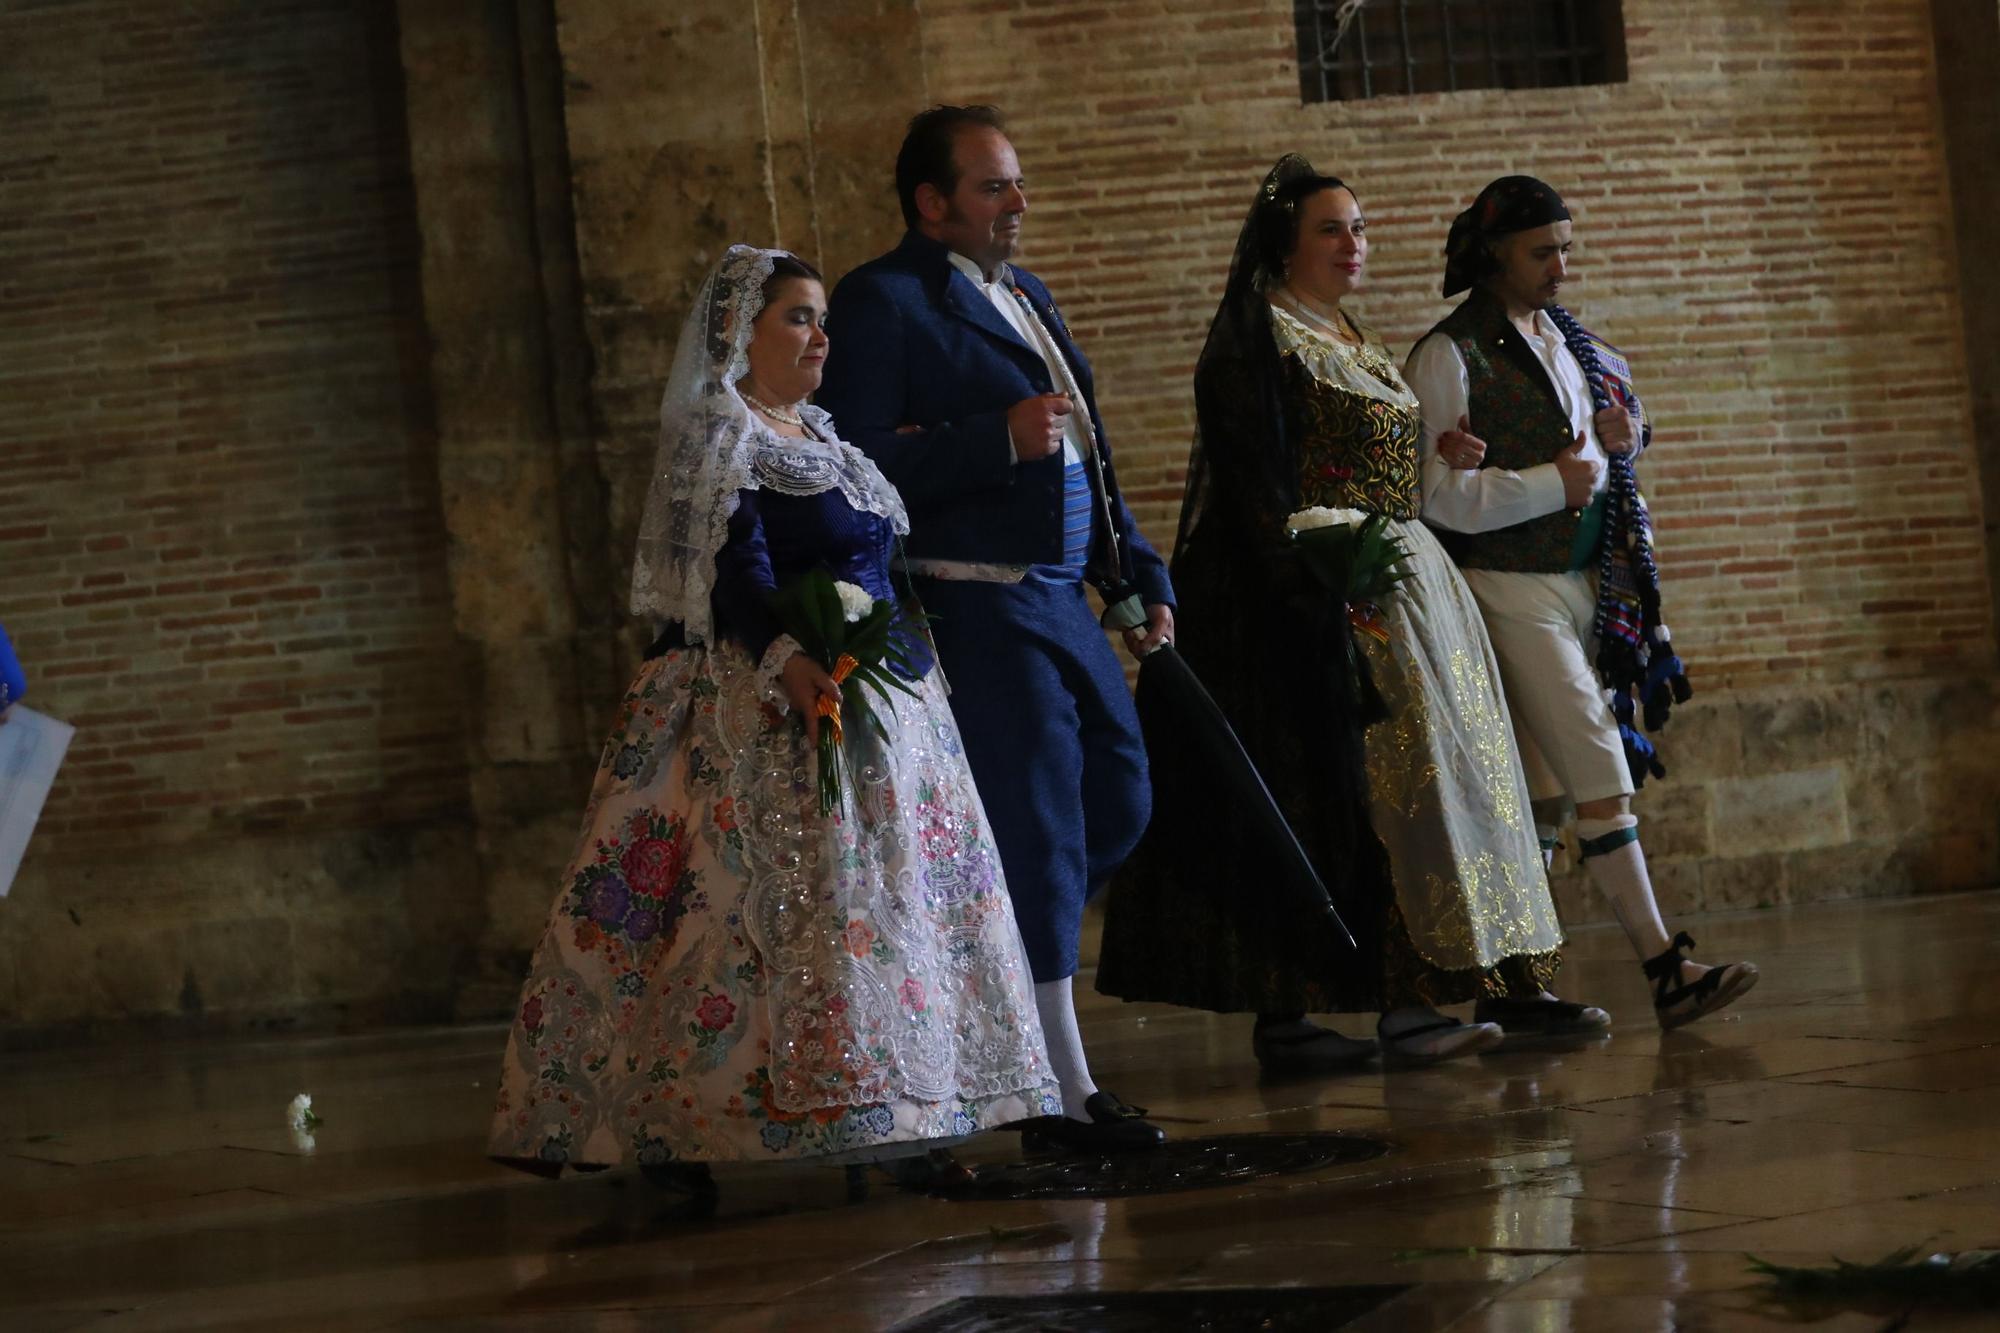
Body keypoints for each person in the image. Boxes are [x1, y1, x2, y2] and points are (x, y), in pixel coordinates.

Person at [489, 245, 1057, 1181]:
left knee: (892, 915)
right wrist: (788, 657)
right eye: (797, 316)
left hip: (886, 709)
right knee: (743, 918)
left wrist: (918, 678)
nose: (820, 337)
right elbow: (733, 566)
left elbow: (881, 566)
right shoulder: (726, 436)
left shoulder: (827, 438)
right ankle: (673, 1129)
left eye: (821, 319)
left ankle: (911, 1106)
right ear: (736, 332)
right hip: (768, 699)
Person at [1096, 156, 1609, 1070]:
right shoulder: (1256, 337)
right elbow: (1257, 479)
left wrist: (1440, 449)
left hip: (1399, 580)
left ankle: (1480, 980)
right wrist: (1319, 588)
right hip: (1306, 594)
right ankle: (1366, 1008)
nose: (1353, 244)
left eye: (1361, 228)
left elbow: (1373, 454)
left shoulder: (1347, 330)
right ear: (1283, 242)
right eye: (1331, 229)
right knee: (1358, 800)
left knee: (1444, 787)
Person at [816, 106, 1172, 1152]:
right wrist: (989, 440)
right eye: (990, 188)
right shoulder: (882, 302)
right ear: (930, 204)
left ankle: (1002, 980)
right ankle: (1055, 1092)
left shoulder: (1025, 295)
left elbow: (1088, 454)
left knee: (1120, 796)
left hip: (1064, 596)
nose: (1017, 203)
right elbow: (853, 464)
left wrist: (1136, 567)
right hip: (976, 600)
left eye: (1014, 183)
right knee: (1042, 827)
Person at [1405, 176, 1758, 1030]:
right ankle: (1663, 965)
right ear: (1495, 254)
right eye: (1542, 251)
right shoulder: (1449, 355)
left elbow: (1616, 430)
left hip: (1588, 584)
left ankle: (1516, 987)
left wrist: (1630, 431)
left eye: (1566, 247)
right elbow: (1433, 496)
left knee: (1541, 785)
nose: (1561, 265)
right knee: (1598, 765)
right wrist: (1547, 484)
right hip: (1503, 585)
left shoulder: (1572, 342)